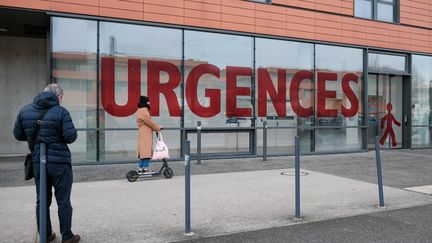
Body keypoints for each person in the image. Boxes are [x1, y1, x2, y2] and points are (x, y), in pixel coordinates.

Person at [13, 83, 80, 243]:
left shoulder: (25, 110)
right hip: (60, 163)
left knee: (41, 199)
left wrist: (35, 137)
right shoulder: (61, 112)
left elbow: (18, 134)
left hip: (38, 161)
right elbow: (70, 137)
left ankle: (46, 234)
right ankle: (67, 237)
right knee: (63, 200)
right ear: (60, 96)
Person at [136, 95, 162, 173]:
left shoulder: (140, 110)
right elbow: (149, 122)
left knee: (143, 152)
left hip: (143, 132)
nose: (149, 103)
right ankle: (145, 168)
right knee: (146, 152)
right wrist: (158, 127)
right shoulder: (144, 110)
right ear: (145, 102)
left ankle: (141, 168)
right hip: (145, 133)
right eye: (148, 101)